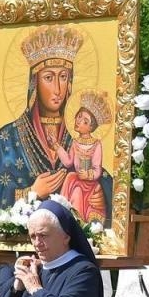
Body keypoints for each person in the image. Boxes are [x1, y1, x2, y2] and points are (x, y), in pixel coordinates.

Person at [0, 25, 85, 213]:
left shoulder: (79, 135)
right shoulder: (7, 138)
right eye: (49, 78)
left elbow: (102, 180)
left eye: (63, 77)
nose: (58, 89)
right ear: (34, 83)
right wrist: (31, 192)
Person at [58, 91, 114, 226]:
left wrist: (88, 174)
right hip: (75, 180)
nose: (78, 121)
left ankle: (77, 225)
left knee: (77, 193)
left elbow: (97, 169)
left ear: (91, 127)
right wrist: (57, 146)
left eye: (84, 121)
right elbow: (68, 162)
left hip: (89, 185)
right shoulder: (75, 142)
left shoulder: (96, 144)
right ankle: (65, 219)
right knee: (71, 179)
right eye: (78, 116)